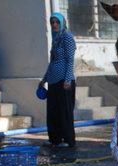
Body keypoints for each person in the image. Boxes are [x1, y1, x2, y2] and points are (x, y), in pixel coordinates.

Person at [39, 13, 76, 148]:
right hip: (53, 81)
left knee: (64, 112)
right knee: (53, 111)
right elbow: (53, 62)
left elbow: (70, 60)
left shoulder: (67, 37)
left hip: (65, 81)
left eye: (57, 22)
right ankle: (55, 139)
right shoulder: (55, 39)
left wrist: (67, 79)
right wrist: (44, 79)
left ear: (62, 23)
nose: (54, 24)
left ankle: (68, 140)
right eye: (52, 22)